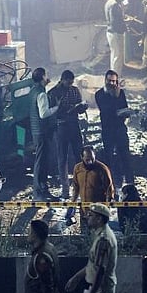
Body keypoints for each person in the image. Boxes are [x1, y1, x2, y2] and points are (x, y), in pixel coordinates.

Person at [48, 70, 87, 199]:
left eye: (71, 82)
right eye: (68, 82)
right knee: (62, 158)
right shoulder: (53, 92)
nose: (70, 84)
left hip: (74, 125)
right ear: (62, 79)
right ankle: (65, 190)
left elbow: (80, 108)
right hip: (61, 127)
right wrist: (65, 109)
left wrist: (81, 107)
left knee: (79, 156)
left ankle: (80, 186)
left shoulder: (75, 90)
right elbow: (51, 112)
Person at [94, 69, 134, 188]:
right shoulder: (99, 94)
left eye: (114, 81)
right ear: (105, 80)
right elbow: (106, 110)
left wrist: (126, 112)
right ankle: (111, 182)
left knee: (125, 156)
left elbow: (124, 107)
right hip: (108, 130)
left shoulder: (120, 93)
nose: (112, 84)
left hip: (120, 129)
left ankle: (130, 182)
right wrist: (114, 98)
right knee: (109, 157)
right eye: (109, 81)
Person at [29, 67, 58, 201]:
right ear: (42, 77)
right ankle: (38, 192)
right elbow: (44, 113)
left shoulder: (33, 90)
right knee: (41, 162)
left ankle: (42, 189)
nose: (48, 77)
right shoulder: (41, 94)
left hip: (37, 131)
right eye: (46, 75)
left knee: (42, 161)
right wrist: (57, 107)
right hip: (42, 132)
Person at [68, 146, 114, 229]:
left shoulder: (102, 169)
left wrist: (106, 209)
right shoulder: (77, 168)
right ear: (82, 157)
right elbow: (76, 187)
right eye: (87, 159)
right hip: (84, 211)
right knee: (85, 236)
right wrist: (72, 205)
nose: (90, 162)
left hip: (97, 213)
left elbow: (109, 190)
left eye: (92, 159)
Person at [105, 0, 131, 76]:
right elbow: (115, 21)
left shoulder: (109, 2)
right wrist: (125, 23)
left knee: (114, 56)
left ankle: (113, 76)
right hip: (115, 32)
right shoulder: (115, 5)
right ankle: (116, 77)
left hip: (111, 32)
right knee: (118, 56)